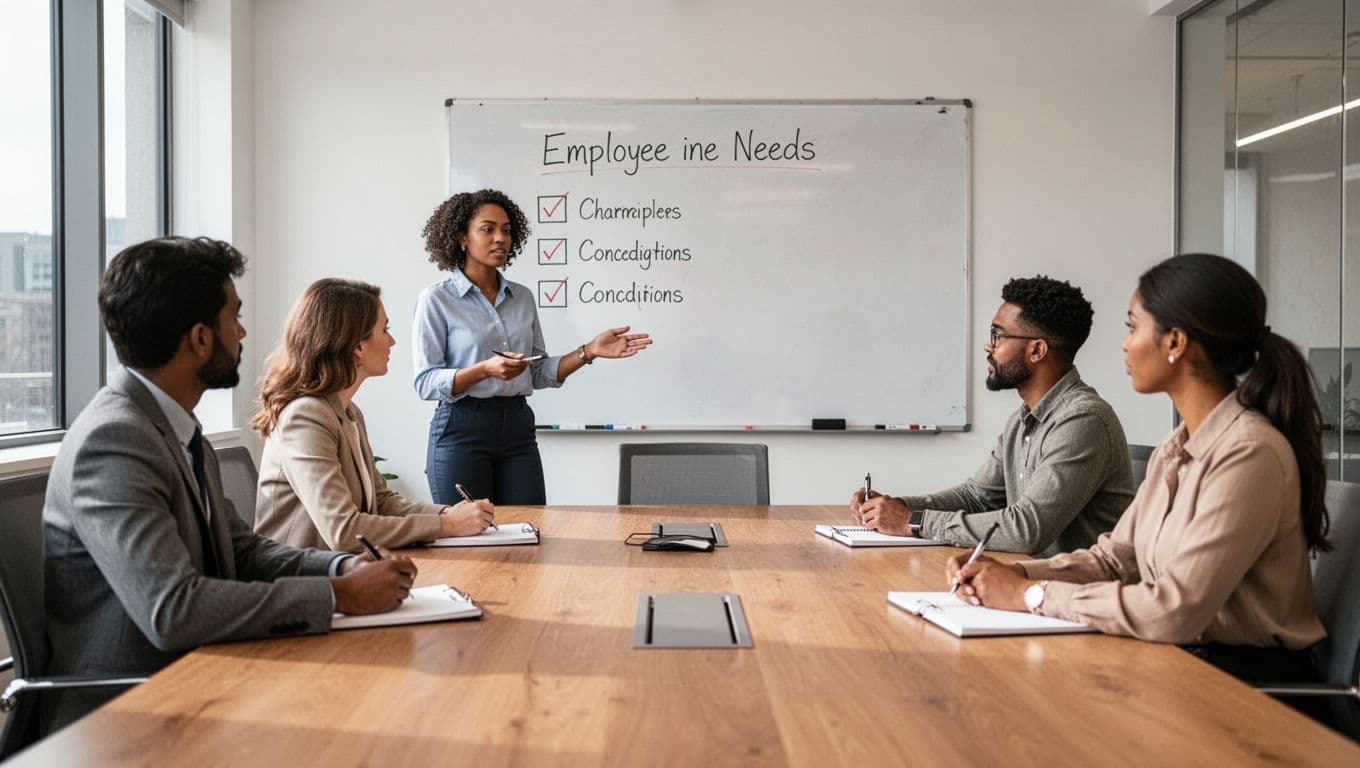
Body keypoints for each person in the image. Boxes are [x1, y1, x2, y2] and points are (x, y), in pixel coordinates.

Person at [42, 237, 415, 732]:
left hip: (204, 673)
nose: (242, 332)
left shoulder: (174, 427)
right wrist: (339, 596)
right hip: (133, 712)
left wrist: (342, 564)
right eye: (233, 317)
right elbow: (174, 609)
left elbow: (241, 552)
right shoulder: (115, 440)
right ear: (199, 339)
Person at [950, 254, 1328, 683]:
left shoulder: (1249, 453)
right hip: (1178, 660)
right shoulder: (1178, 445)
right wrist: (1018, 573)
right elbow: (1114, 559)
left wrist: (1032, 594)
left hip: (1241, 686)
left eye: (1133, 327)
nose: (1125, 343)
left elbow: (1174, 610)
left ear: (1176, 342)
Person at [851, 276, 1135, 556]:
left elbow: (1027, 530)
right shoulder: (1022, 421)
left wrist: (911, 522)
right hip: (1027, 584)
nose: (989, 346)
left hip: (1072, 595)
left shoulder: (1083, 420)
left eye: (997, 335)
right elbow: (976, 497)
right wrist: (895, 507)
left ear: (1037, 350)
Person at [414, 188, 652, 504]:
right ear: (461, 236)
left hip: (517, 427)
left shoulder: (522, 297)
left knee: (529, 531)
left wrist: (589, 351)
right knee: (467, 539)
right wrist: (486, 370)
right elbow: (426, 382)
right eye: (488, 229)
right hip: (462, 428)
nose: (501, 238)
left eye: (507, 230)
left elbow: (537, 372)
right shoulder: (437, 299)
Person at [252, 278, 496, 551]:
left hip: (345, 572)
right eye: (385, 329)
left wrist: (446, 515)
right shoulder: (305, 416)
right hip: (303, 582)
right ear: (357, 345)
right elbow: (344, 531)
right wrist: (447, 526)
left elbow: (381, 501)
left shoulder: (348, 411)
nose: (392, 341)